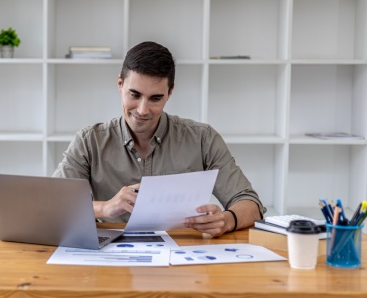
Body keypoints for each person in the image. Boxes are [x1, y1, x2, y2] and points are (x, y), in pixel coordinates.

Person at [53, 41, 265, 237]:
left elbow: (251, 204)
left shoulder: (202, 138)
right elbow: (55, 204)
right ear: (120, 83)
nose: (142, 110)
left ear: (170, 92)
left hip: (182, 253)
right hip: (110, 254)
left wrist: (227, 220)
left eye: (155, 98)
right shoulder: (89, 141)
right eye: (134, 95)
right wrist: (105, 207)